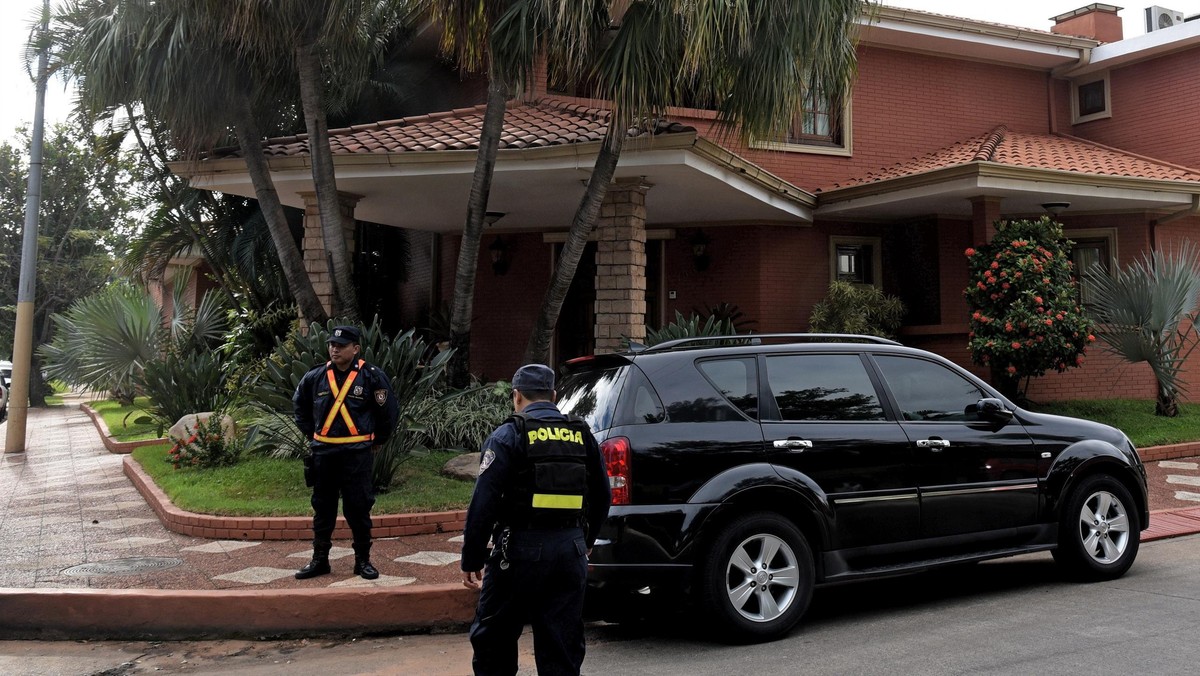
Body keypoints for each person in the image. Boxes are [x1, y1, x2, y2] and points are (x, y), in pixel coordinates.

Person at [461, 363, 611, 676]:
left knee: (494, 639)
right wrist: (587, 541)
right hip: (569, 550)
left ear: (516, 396)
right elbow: (602, 495)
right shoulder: (581, 433)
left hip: (518, 552)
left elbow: (483, 503)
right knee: (561, 644)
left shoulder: (509, 435)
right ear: (554, 395)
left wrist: (472, 556)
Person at [292, 325, 398, 580]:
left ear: (356, 349)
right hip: (324, 454)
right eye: (332, 345)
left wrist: (379, 440)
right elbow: (300, 406)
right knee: (322, 507)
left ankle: (362, 561)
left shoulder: (371, 377)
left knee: (358, 508)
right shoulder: (315, 376)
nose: (335, 349)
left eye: (341, 345)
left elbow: (389, 412)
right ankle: (320, 560)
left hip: (356, 454)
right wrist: (313, 434)